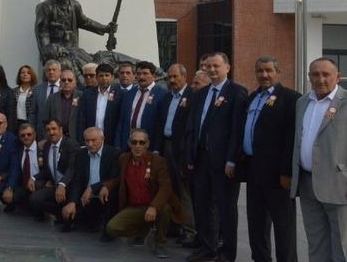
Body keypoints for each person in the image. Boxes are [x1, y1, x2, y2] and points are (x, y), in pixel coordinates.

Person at [185, 52, 248, 262]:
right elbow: (193, 127)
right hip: (201, 159)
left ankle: (228, 253)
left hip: (224, 163)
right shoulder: (201, 94)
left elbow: (237, 130)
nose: (212, 70)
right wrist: (191, 156)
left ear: (227, 68)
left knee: (226, 209)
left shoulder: (237, 92)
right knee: (203, 206)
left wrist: (232, 160)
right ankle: (207, 248)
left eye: (216, 66)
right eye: (208, 66)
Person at [235, 56, 299, 262]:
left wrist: (287, 172)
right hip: (253, 171)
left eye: (269, 70)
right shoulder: (253, 97)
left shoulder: (291, 99)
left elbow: (292, 139)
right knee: (256, 224)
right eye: (260, 71)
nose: (264, 75)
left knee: (283, 227)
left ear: (278, 72)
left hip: (277, 176)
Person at [291, 57, 347, 262]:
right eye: (315, 74)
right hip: (308, 183)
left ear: (338, 77)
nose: (320, 79)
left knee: (343, 245)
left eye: (326, 74)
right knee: (316, 241)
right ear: (309, 76)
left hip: (341, 187)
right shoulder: (302, 102)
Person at [103, 128, 183, 259]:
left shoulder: (158, 161)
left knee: (165, 208)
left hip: (154, 205)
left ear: (147, 144)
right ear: (129, 143)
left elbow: (166, 187)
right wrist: (107, 187)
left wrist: (153, 207)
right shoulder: (123, 159)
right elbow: (119, 179)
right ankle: (143, 230)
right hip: (135, 207)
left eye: (141, 142)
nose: (137, 146)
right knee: (112, 228)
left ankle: (160, 243)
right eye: (134, 142)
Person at [34, 0, 116, 74]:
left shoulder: (74, 5)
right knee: (71, 68)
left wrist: (105, 28)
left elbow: (85, 22)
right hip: (58, 54)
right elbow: (43, 36)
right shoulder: (45, 7)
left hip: (75, 51)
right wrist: (51, 53)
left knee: (93, 67)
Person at [154, 63, 195, 245]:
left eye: (175, 77)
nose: (171, 80)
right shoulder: (166, 98)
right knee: (168, 188)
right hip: (165, 147)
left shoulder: (192, 97)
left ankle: (189, 230)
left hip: (182, 150)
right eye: (169, 77)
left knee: (185, 191)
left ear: (184, 77)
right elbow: (159, 124)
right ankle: (173, 225)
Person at [62, 127, 120, 235]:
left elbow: (113, 178)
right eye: (87, 140)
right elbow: (77, 181)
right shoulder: (81, 154)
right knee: (67, 220)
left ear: (102, 139)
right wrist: (72, 202)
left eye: (94, 140)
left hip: (104, 196)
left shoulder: (113, 154)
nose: (90, 144)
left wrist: (93, 188)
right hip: (86, 198)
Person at [29, 118, 80, 228]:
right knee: (35, 199)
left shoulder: (71, 144)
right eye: (48, 130)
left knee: (68, 225)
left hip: (70, 186)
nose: (51, 132)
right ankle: (59, 213)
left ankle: (71, 215)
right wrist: (33, 178)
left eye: (54, 129)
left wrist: (62, 185)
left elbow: (72, 169)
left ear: (61, 129)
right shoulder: (47, 145)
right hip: (55, 186)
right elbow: (47, 170)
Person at [116, 61, 166, 151]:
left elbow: (161, 125)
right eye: (138, 74)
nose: (141, 77)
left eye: (145, 73)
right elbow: (121, 121)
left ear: (154, 76)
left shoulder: (162, 94)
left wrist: (157, 148)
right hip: (128, 144)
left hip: (149, 145)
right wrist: (118, 144)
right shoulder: (130, 93)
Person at [77, 63, 122, 145]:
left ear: (112, 77)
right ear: (97, 77)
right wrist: (82, 141)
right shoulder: (87, 94)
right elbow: (82, 119)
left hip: (111, 140)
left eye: (107, 75)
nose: (104, 78)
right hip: (91, 140)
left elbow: (121, 120)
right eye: (101, 75)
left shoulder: (120, 94)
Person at [3, 123, 39, 213]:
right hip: (24, 185)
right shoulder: (19, 151)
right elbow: (15, 170)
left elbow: (47, 170)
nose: (26, 137)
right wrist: (9, 188)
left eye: (29, 134)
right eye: (22, 135)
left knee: (37, 200)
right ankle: (22, 205)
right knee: (4, 191)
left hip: (39, 184)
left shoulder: (42, 148)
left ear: (34, 134)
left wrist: (35, 179)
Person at [45, 68, 81, 141]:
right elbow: (46, 119)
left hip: (76, 138)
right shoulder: (52, 98)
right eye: (63, 80)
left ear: (75, 83)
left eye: (70, 80)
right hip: (57, 138)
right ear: (60, 83)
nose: (66, 82)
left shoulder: (82, 97)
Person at [31, 59, 62, 139]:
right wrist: (32, 130)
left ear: (59, 71)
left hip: (60, 132)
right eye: (48, 70)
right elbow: (33, 112)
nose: (51, 72)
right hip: (41, 132)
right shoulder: (37, 89)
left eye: (54, 70)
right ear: (45, 73)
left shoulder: (65, 88)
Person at [12, 64, 37, 129]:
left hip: (29, 123)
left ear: (32, 76)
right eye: (23, 73)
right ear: (19, 76)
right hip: (15, 123)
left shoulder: (36, 91)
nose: (25, 74)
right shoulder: (13, 91)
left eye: (28, 73)